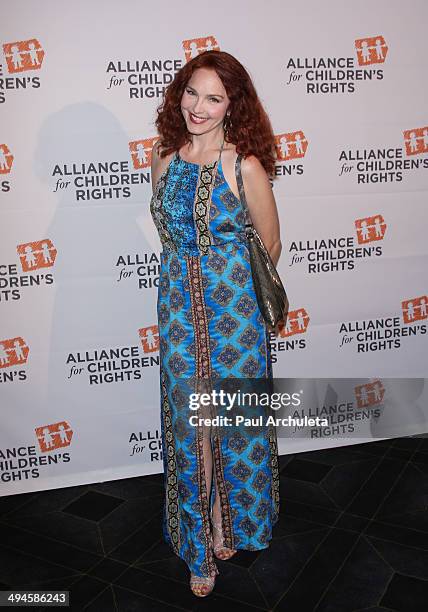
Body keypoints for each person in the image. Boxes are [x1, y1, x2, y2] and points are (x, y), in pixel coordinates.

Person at [149, 50, 282, 597]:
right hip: (179, 315)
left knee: (234, 424)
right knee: (191, 431)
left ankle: (232, 525)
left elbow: (269, 247)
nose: (197, 108)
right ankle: (199, 543)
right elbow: (169, 238)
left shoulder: (242, 164)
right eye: (190, 93)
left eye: (213, 97)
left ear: (233, 105)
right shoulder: (162, 158)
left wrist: (234, 299)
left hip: (236, 321)